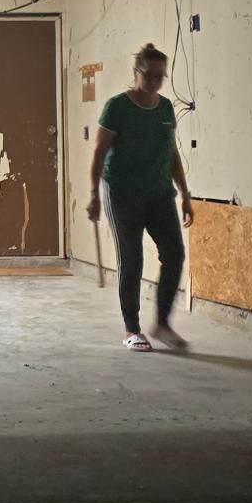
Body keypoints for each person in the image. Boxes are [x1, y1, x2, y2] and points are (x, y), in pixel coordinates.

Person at [85, 42, 194, 353]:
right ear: (136, 73)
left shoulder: (165, 108)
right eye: (149, 75)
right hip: (121, 191)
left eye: (161, 76)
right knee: (131, 259)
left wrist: (185, 196)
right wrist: (94, 194)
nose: (155, 82)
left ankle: (162, 324)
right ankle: (132, 329)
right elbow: (99, 152)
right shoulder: (117, 106)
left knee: (174, 253)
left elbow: (172, 154)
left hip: (159, 192)